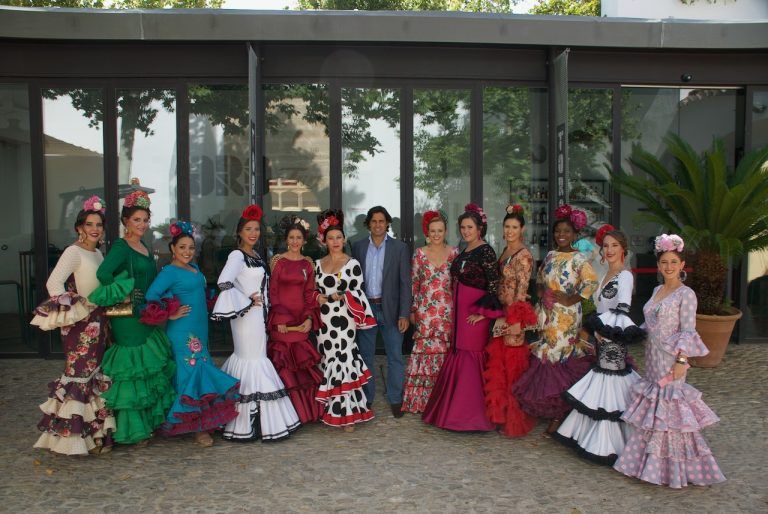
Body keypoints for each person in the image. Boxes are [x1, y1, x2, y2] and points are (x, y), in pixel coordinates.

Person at [614, 234, 725, 488]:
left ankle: (675, 470)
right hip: (653, 359)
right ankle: (647, 465)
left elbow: (687, 330)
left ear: (682, 264)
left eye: (674, 262)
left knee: (671, 412)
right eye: (664, 262)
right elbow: (650, 324)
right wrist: (628, 331)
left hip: (671, 360)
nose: (669, 266)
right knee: (654, 411)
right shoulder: (656, 290)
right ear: (658, 265)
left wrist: (681, 360)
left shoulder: (687, 294)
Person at [88, 184, 176, 446]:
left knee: (146, 368)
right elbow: (103, 274)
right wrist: (125, 292)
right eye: (137, 220)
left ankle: (146, 424)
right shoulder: (121, 246)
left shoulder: (144, 246)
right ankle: (132, 431)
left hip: (146, 314)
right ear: (126, 220)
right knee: (132, 370)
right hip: (127, 318)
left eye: (145, 220)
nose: (142, 224)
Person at [142, 221, 240, 447]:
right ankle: (199, 428)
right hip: (183, 331)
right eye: (182, 247)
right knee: (192, 373)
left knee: (197, 370)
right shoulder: (169, 271)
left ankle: (196, 422)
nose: (187, 252)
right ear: (172, 249)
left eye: (191, 248)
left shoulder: (194, 268)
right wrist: (170, 313)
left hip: (199, 328)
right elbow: (151, 295)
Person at [31, 196, 115, 455]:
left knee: (94, 375)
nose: (95, 229)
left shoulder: (98, 253)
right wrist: (76, 307)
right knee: (78, 376)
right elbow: (53, 283)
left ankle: (96, 434)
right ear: (79, 227)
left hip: (99, 322)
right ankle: (74, 437)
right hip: (80, 325)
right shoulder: (73, 252)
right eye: (89, 224)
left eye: (99, 224)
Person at [553, 226, 644, 463]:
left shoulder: (625, 276)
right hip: (601, 336)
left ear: (623, 249)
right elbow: (601, 307)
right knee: (602, 383)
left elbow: (623, 308)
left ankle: (610, 444)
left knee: (611, 385)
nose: (609, 250)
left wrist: (605, 333)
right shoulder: (605, 274)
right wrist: (595, 331)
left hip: (613, 339)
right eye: (606, 246)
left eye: (615, 245)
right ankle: (594, 437)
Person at [210, 204, 300, 442]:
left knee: (255, 359)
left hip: (258, 317)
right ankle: (246, 421)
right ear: (239, 232)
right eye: (248, 229)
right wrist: (246, 300)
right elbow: (223, 282)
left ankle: (255, 418)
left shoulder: (257, 256)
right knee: (251, 360)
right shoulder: (237, 255)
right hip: (246, 318)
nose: (253, 233)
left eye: (257, 229)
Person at [512, 204, 598, 436]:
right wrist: (541, 292)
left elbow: (591, 283)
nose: (561, 235)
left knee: (560, 358)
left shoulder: (579, 259)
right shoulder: (550, 255)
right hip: (547, 315)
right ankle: (552, 408)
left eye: (566, 231)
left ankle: (561, 412)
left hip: (566, 318)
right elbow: (540, 279)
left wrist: (572, 298)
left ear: (575, 234)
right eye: (558, 231)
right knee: (546, 355)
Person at [422, 203, 502, 431]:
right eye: (463, 227)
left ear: (479, 229)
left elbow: (494, 284)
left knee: (471, 357)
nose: (466, 231)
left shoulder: (486, 251)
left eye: (470, 227)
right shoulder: (464, 250)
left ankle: (471, 417)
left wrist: (482, 314)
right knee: (459, 353)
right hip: (460, 312)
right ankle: (452, 412)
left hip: (474, 314)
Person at [314, 209, 376, 431]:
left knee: (343, 359)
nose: (335, 241)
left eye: (339, 237)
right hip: (324, 321)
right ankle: (330, 409)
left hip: (344, 319)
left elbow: (358, 292)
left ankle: (348, 414)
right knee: (327, 360)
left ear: (344, 239)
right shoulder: (317, 264)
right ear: (324, 241)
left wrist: (339, 295)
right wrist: (319, 297)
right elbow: (311, 292)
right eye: (331, 238)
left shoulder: (352, 264)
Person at [483, 205, 538, 437]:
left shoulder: (524, 256)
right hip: (501, 314)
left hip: (513, 316)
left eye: (514, 227)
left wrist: (515, 321)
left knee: (512, 367)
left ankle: (513, 417)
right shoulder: (506, 250)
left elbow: (521, 292)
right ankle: (500, 413)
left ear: (522, 229)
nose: (510, 231)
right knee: (499, 367)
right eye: (507, 226)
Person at [351, 206, 411, 418]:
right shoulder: (358, 247)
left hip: (391, 310)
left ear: (387, 224)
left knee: (395, 356)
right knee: (366, 356)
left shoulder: (399, 248)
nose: (378, 225)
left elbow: (405, 283)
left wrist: (404, 314)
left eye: (381, 221)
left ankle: (395, 399)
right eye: (374, 221)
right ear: (368, 224)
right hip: (366, 308)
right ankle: (366, 399)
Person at [267, 216, 323, 424]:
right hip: (282, 321)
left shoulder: (308, 264)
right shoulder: (278, 262)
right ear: (286, 240)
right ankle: (284, 416)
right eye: (291, 237)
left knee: (301, 367)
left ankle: (304, 412)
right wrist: (280, 319)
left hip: (300, 321)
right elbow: (273, 292)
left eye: (298, 237)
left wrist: (309, 318)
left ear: (304, 240)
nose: (295, 241)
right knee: (284, 365)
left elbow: (309, 293)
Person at [402, 210, 459, 414]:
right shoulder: (419, 253)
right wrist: (412, 310)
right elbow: (414, 284)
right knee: (425, 353)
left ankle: (443, 401)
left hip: (447, 312)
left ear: (446, 232)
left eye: (440, 230)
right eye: (433, 231)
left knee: (445, 353)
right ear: (427, 232)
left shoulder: (454, 253)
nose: (436, 234)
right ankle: (422, 402)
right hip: (425, 312)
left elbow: (458, 284)